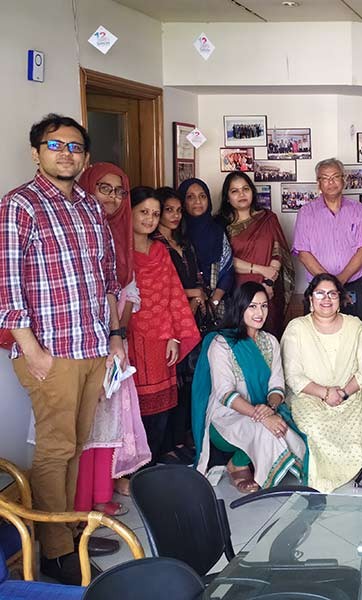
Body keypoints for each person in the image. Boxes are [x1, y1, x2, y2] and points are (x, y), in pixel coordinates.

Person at [0, 115, 127, 582]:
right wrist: (32, 351)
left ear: (85, 158)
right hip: (51, 351)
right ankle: (55, 553)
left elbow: (107, 278)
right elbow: (7, 285)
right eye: (55, 145)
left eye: (74, 147)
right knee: (55, 451)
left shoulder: (90, 207)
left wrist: (115, 335)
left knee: (75, 446)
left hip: (92, 346)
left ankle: (70, 530)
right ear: (36, 153)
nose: (65, 153)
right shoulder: (20, 204)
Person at [75, 163, 150, 516]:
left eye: (119, 191)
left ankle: (101, 496)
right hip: (78, 343)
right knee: (82, 426)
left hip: (114, 343)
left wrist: (117, 335)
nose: (113, 197)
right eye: (104, 188)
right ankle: (78, 508)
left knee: (108, 421)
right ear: (87, 187)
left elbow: (128, 291)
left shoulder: (119, 234)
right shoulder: (76, 230)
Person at [193, 282, 306, 493]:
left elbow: (276, 385)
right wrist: (261, 416)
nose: (259, 313)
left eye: (264, 306)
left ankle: (245, 459)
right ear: (240, 307)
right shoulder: (221, 344)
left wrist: (270, 409)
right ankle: (238, 464)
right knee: (265, 430)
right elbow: (225, 393)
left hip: (263, 409)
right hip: (226, 417)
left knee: (289, 433)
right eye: (252, 306)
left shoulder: (270, 341)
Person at [281, 274, 362, 493]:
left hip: (348, 397)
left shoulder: (356, 326)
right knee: (314, 427)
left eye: (332, 294)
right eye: (320, 293)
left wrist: (343, 394)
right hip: (309, 396)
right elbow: (292, 375)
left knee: (354, 431)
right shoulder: (297, 328)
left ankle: (346, 469)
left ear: (340, 299)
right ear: (310, 299)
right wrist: (324, 393)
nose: (326, 299)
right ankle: (320, 475)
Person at [128, 186, 201, 465]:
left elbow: (173, 294)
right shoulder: (119, 250)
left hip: (161, 339)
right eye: (144, 212)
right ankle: (134, 468)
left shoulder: (159, 250)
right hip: (130, 339)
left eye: (155, 214)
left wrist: (174, 336)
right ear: (129, 212)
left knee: (161, 407)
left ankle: (153, 462)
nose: (150, 219)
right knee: (132, 405)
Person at [154, 186, 208, 462]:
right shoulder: (155, 245)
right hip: (168, 318)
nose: (175, 215)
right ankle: (166, 445)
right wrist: (192, 294)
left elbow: (197, 277)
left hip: (193, 317)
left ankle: (182, 437)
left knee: (189, 380)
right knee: (171, 379)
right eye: (168, 210)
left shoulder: (183, 242)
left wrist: (197, 298)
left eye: (178, 210)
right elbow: (160, 286)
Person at [293, 158, 362, 324]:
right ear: (318, 183)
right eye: (325, 178)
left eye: (335, 177)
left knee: (356, 331)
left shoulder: (359, 210)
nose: (331, 182)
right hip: (318, 287)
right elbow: (303, 253)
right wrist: (329, 284)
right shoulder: (306, 212)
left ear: (343, 180)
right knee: (318, 334)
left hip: (353, 285)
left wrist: (340, 280)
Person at [220, 172, 294, 336]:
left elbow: (278, 251)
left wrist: (268, 282)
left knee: (269, 335)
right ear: (227, 197)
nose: (241, 194)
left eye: (245, 189)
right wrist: (260, 269)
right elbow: (225, 260)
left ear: (252, 192)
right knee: (241, 336)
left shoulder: (268, 218)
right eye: (235, 191)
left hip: (268, 289)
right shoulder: (221, 225)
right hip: (238, 290)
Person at [177, 177, 234, 313]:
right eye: (190, 197)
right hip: (182, 304)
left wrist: (215, 300)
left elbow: (228, 269)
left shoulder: (217, 230)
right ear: (182, 202)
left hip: (217, 304)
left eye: (202, 196)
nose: (198, 201)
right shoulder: (176, 233)